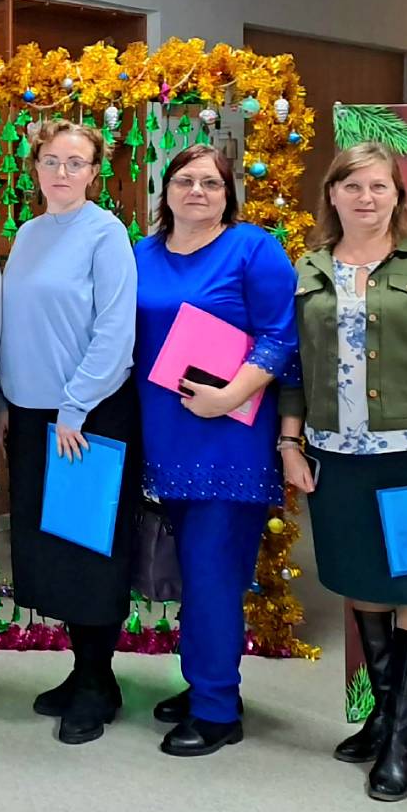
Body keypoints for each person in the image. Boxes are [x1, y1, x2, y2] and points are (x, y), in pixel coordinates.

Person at [280, 141, 407, 802]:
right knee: (362, 583)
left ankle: (401, 740)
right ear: (331, 195)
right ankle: (384, 715)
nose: (365, 198)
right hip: (336, 458)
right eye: (351, 186)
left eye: (377, 186)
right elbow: (293, 367)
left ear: (396, 194)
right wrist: (289, 442)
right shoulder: (309, 267)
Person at [134, 144, 298, 757]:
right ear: (166, 190)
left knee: (213, 575)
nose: (196, 191)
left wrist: (229, 396)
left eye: (210, 182)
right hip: (162, 436)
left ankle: (217, 710)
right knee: (192, 571)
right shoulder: (141, 253)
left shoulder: (252, 248)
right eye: (185, 180)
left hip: (229, 437)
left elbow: (281, 336)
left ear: (228, 193)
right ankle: (204, 680)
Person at [0, 120, 142, 745]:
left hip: (88, 415)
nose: (61, 172)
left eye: (75, 162)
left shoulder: (105, 234)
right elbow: (16, 325)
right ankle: (86, 672)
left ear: (94, 172)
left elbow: (115, 332)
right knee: (52, 549)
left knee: (89, 550)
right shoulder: (30, 233)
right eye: (51, 160)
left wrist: (76, 407)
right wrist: (8, 400)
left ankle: (96, 681)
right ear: (35, 166)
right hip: (35, 416)